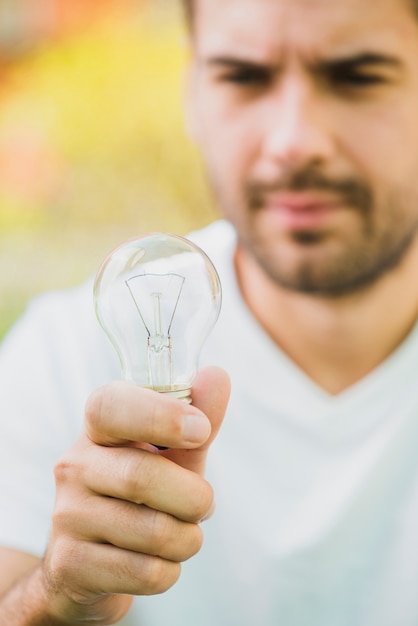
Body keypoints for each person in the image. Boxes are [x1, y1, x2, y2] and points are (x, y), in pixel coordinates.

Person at [2, 0, 418, 623]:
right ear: (192, 92)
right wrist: (57, 600)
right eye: (243, 76)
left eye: (357, 75)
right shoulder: (60, 359)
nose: (294, 141)